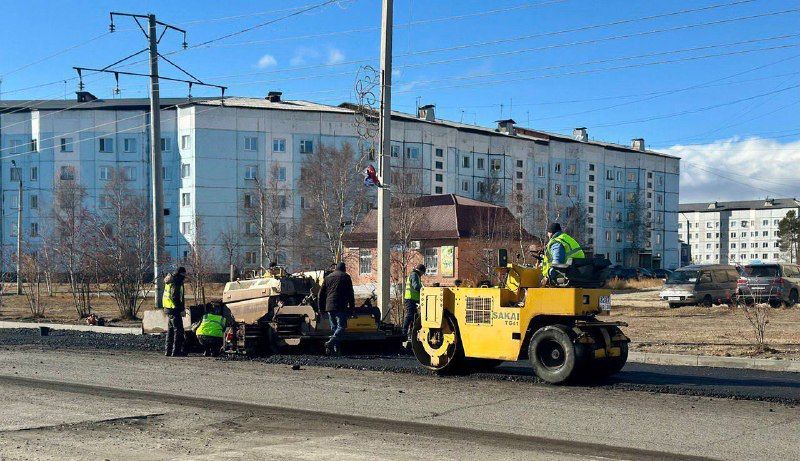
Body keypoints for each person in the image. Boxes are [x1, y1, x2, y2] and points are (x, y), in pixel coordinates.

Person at [318, 262, 355, 355]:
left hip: (329, 306)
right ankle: (330, 342)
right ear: (344, 268)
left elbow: (320, 295)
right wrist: (352, 308)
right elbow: (350, 294)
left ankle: (336, 350)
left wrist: (321, 308)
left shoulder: (328, 277)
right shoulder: (346, 277)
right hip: (341, 306)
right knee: (342, 327)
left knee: (334, 328)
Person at [163, 267, 187, 357]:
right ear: (181, 274)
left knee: (170, 331)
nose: (185, 276)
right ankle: (176, 351)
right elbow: (175, 297)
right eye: (184, 274)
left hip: (168, 309)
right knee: (178, 331)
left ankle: (168, 351)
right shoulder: (177, 282)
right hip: (174, 310)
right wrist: (181, 309)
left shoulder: (170, 280)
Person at [402, 264, 426, 340]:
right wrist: (423, 290)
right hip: (410, 299)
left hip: (413, 299)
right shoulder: (414, 275)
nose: (422, 275)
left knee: (414, 317)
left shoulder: (415, 275)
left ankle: (412, 333)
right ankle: (404, 332)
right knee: (410, 315)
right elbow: (415, 286)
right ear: (421, 271)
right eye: (423, 273)